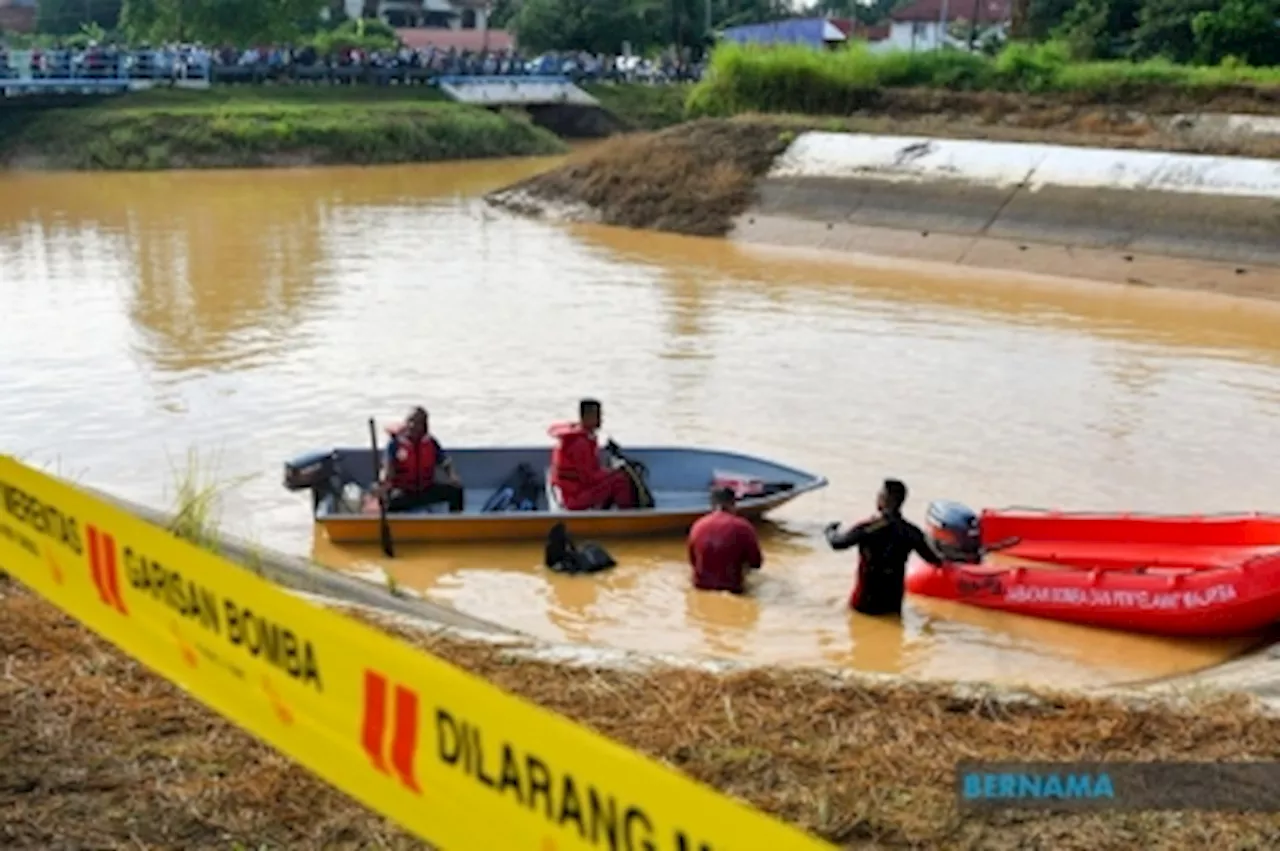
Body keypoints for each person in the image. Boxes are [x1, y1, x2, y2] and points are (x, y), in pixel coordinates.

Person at [825, 478, 943, 616]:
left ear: (883, 499)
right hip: (891, 604)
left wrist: (829, 530)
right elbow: (933, 559)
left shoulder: (868, 528)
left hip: (864, 603)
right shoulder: (912, 532)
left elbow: (837, 544)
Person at [548, 398, 636, 511]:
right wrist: (611, 472)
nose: (601, 420)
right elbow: (588, 478)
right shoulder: (580, 444)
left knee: (615, 476)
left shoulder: (581, 437)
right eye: (597, 416)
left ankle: (605, 510)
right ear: (587, 417)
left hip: (570, 491)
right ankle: (626, 515)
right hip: (573, 498)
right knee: (620, 481)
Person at [376, 407, 464, 513]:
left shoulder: (431, 442)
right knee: (388, 503)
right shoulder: (395, 444)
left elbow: (444, 462)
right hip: (404, 491)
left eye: (417, 423)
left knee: (456, 491)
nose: (412, 426)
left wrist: (452, 475)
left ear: (424, 426)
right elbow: (387, 467)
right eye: (410, 421)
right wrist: (383, 483)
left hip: (426, 489)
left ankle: (455, 523)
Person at [687, 487, 763, 594]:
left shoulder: (697, 526)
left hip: (700, 588)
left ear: (712, 505)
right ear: (733, 504)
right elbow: (756, 563)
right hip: (733, 589)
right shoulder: (743, 527)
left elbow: (692, 560)